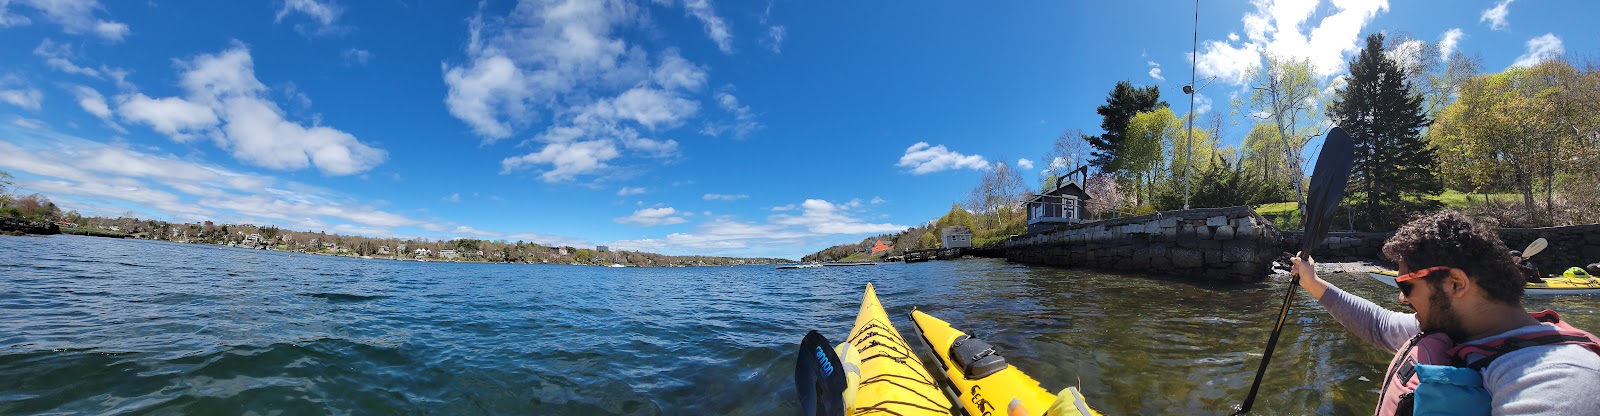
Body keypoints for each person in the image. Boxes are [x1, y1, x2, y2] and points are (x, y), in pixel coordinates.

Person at [1289, 210, 1600, 415]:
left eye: (1407, 285)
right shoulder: (1454, 328)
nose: (1401, 298)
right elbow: (1376, 324)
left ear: (1455, 283)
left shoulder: (1562, 378)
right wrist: (1313, 283)